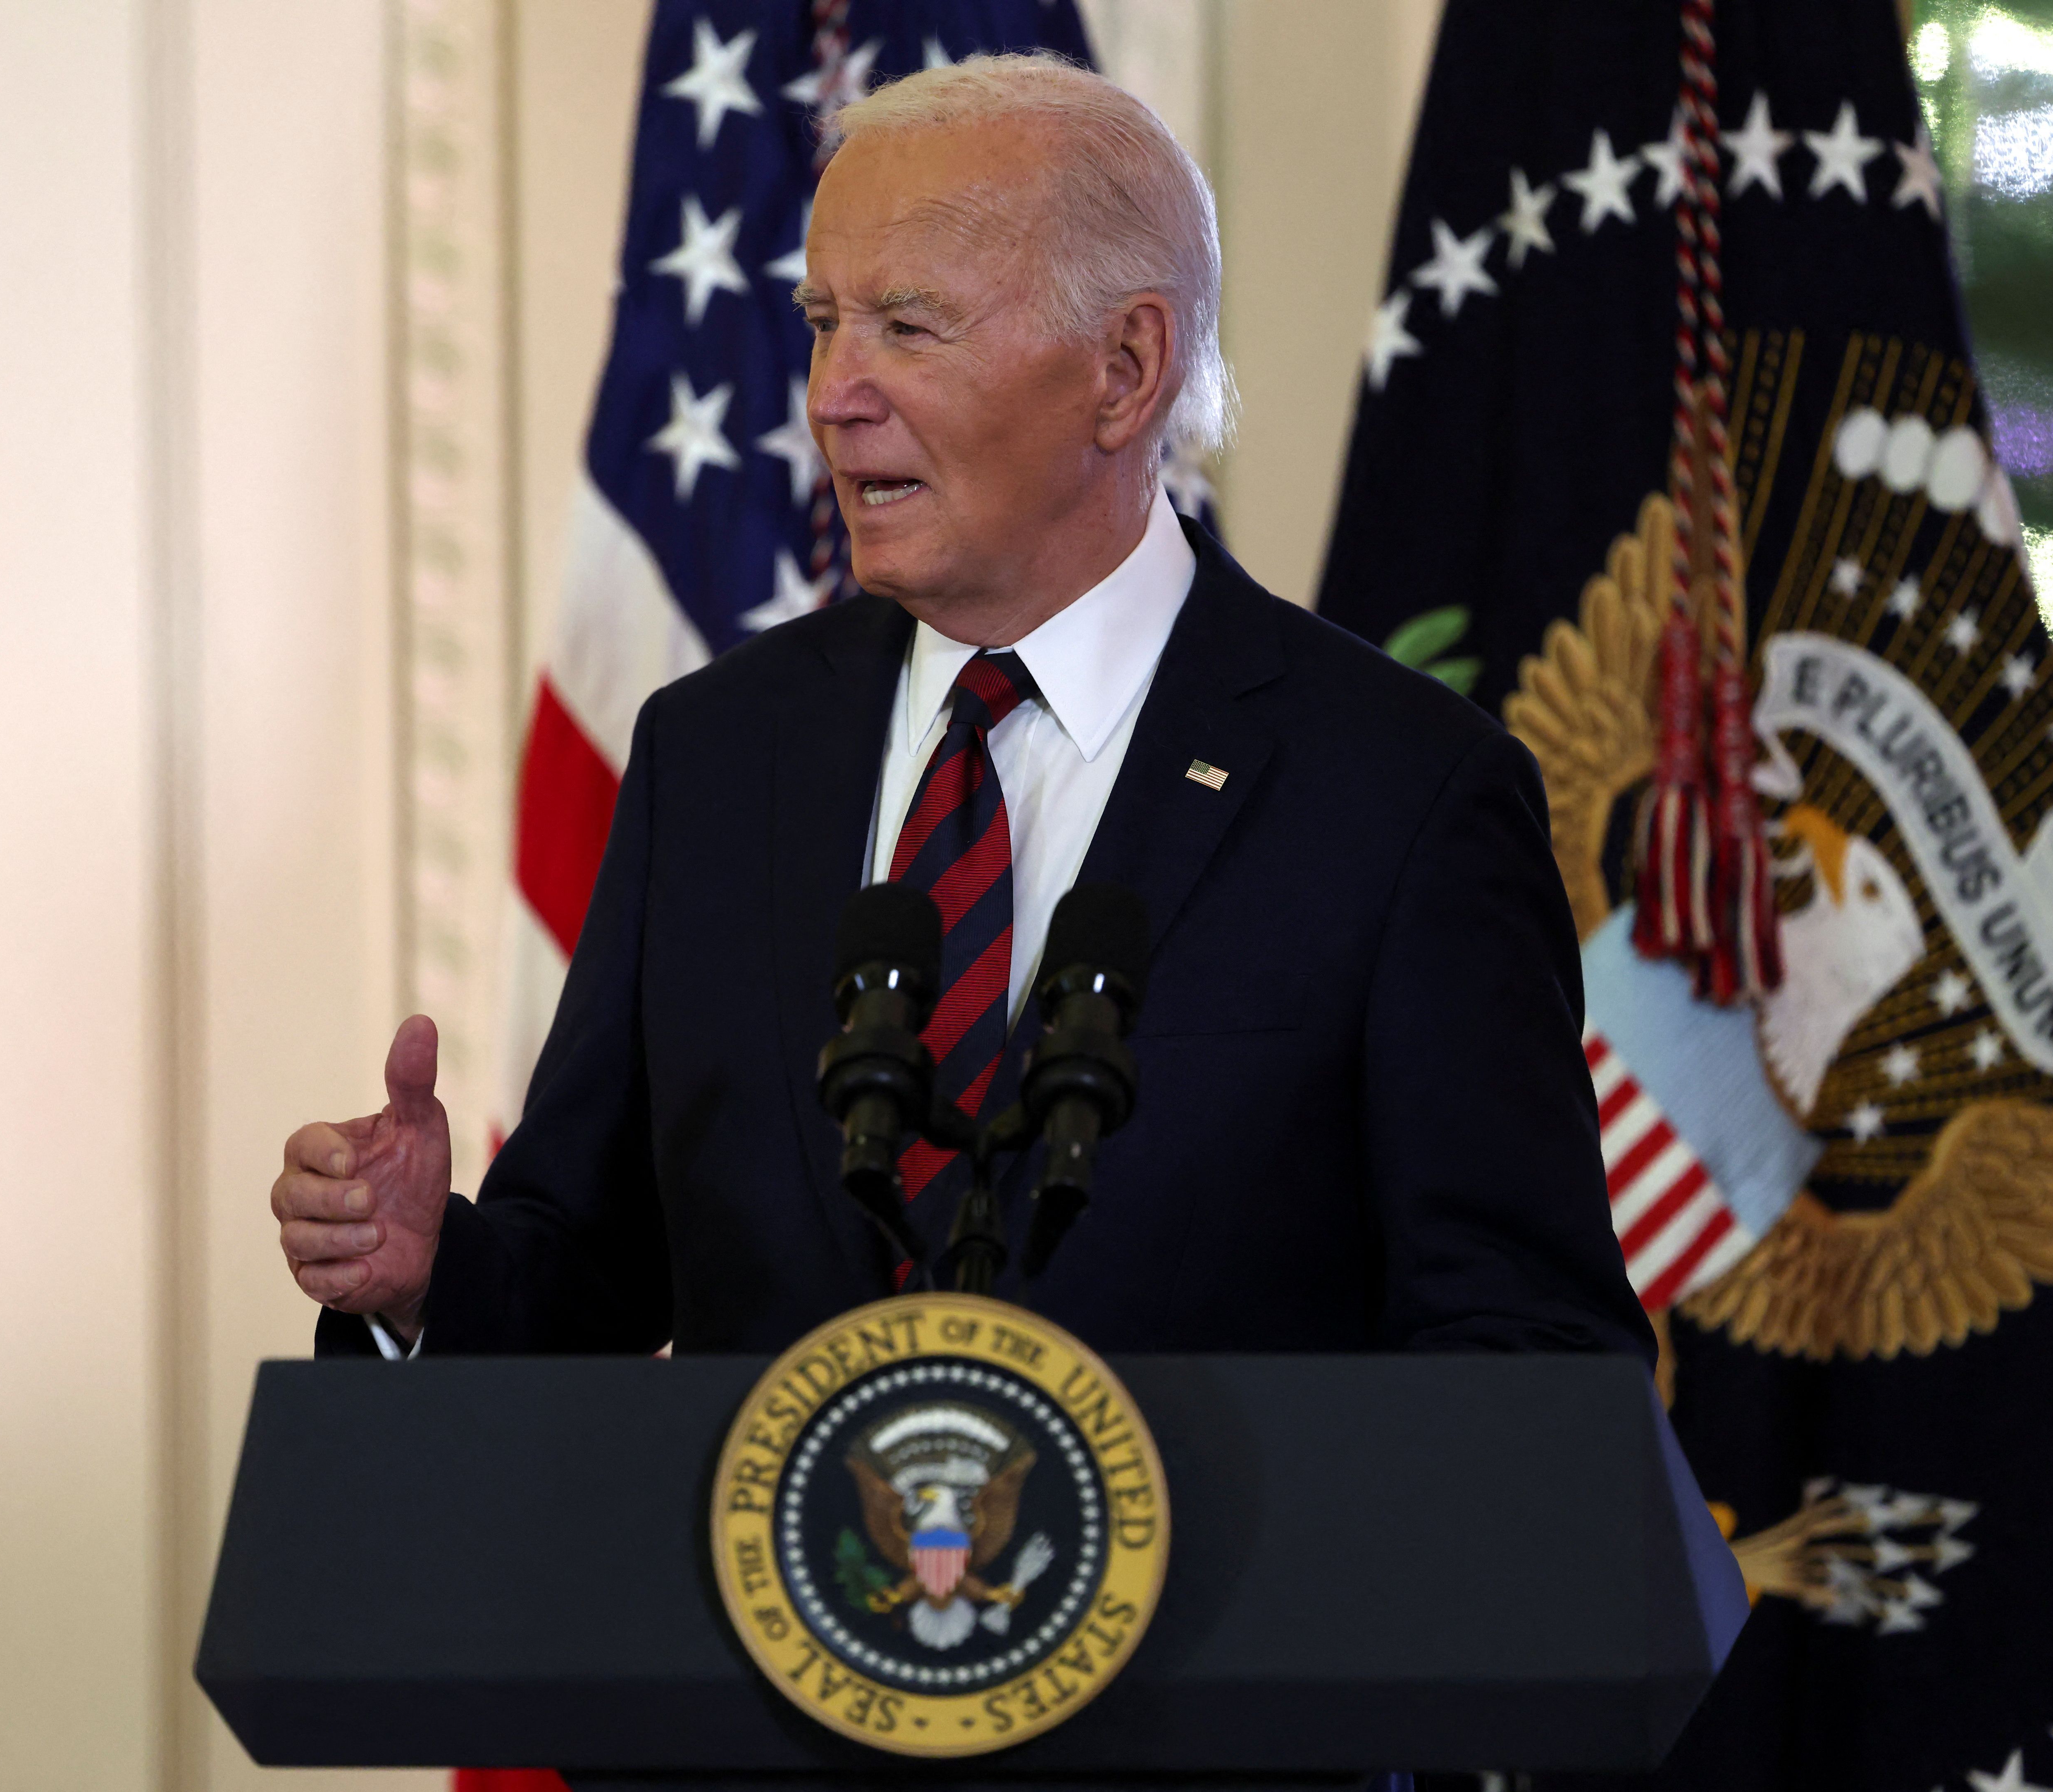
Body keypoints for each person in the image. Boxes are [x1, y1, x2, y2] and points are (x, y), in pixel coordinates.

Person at [269, 55, 1652, 1365]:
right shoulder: (716, 755)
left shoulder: (1399, 794)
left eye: (906, 329)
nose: (831, 397)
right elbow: (590, 1272)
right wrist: (425, 1278)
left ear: (1124, 369)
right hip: (776, 1613)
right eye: (821, 325)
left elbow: (1522, 1359)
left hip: (1222, 1613)